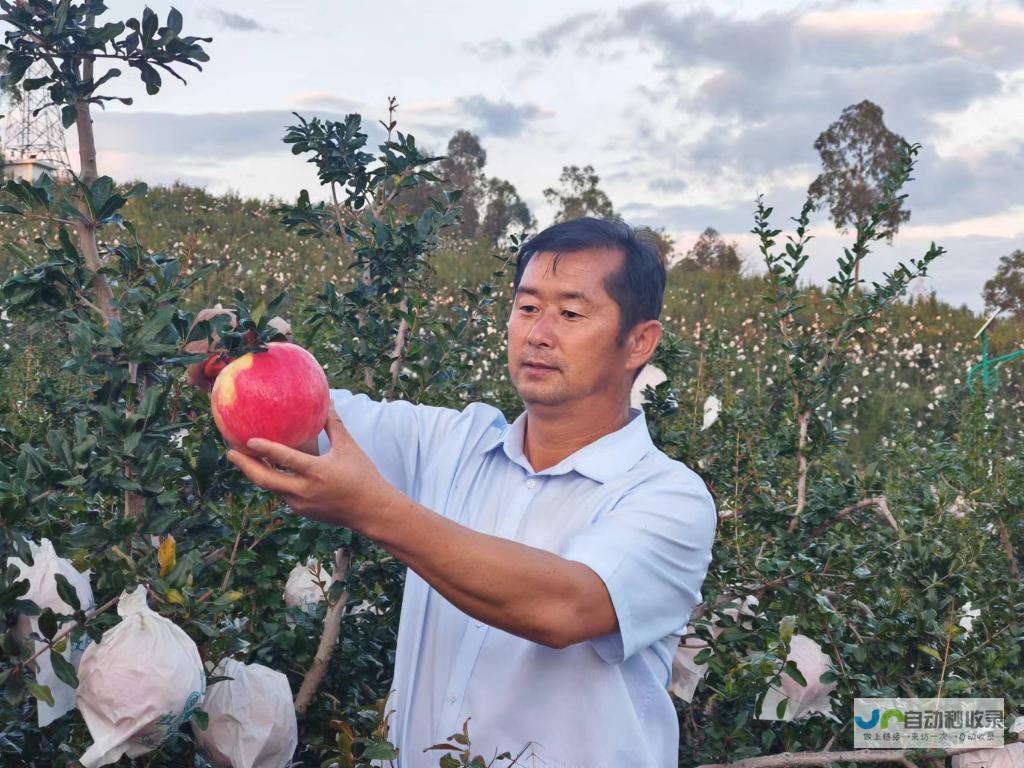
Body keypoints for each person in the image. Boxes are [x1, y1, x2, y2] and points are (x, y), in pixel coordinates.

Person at [185, 217, 717, 767]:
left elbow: (563, 607)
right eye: (528, 307)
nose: (538, 333)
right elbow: (302, 422)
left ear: (639, 342)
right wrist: (243, 357)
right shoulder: (448, 444)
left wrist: (374, 511)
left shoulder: (668, 499)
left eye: (571, 313)